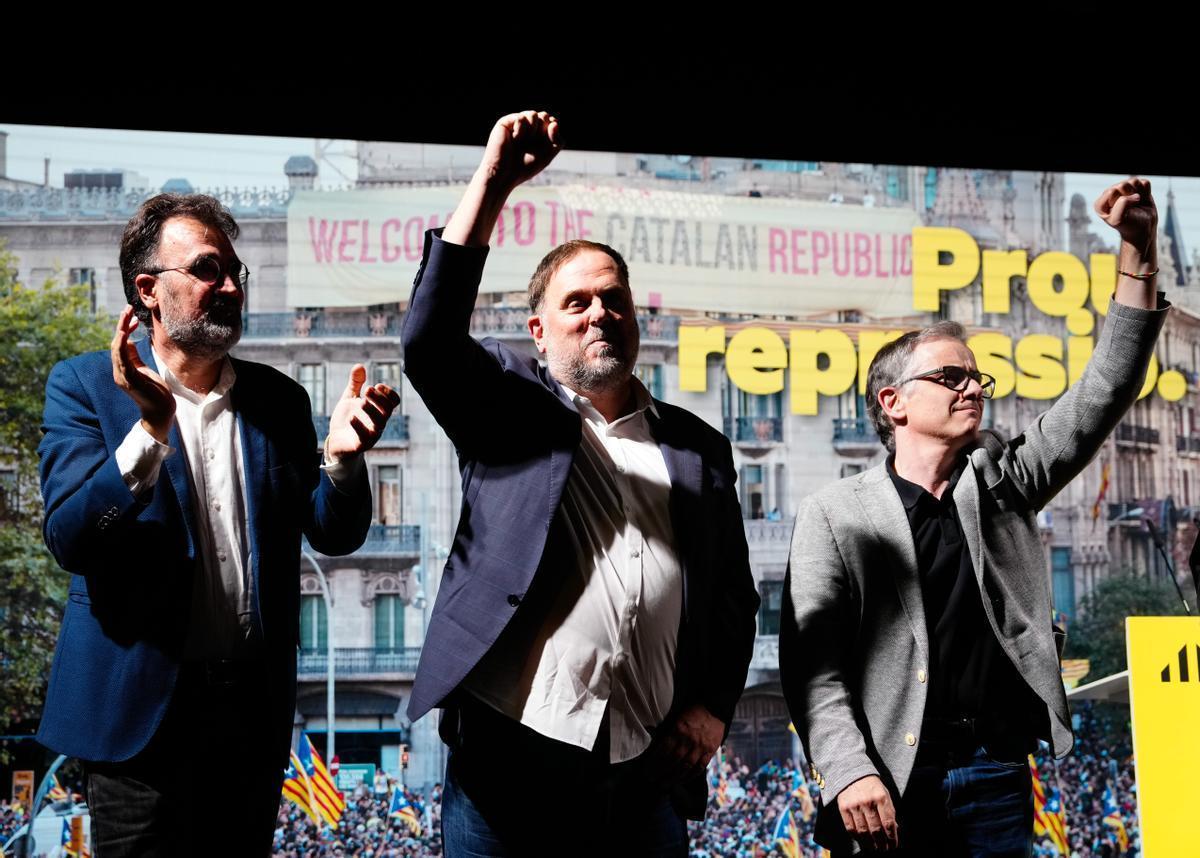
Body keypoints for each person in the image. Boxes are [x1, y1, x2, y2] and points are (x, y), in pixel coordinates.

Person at [402, 111, 760, 856]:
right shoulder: (509, 408)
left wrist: (716, 706)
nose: (601, 312)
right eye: (577, 303)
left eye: (614, 298)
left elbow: (732, 596)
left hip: (647, 771)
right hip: (508, 762)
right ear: (538, 332)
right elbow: (430, 340)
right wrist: (494, 183)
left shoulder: (698, 447)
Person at [779, 178, 1165, 856]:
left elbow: (1106, 388)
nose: (971, 389)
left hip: (995, 775)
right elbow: (814, 667)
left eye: (976, 378)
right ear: (892, 402)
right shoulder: (834, 514)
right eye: (949, 377)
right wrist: (847, 772)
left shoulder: (1004, 483)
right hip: (886, 784)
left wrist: (1137, 247)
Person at [36, 193, 401, 856]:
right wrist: (150, 431)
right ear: (149, 289)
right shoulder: (84, 387)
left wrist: (342, 463)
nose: (230, 285)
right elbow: (71, 537)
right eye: (208, 269)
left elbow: (333, 534)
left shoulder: (280, 400)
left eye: (235, 271)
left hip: (249, 722)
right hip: (135, 726)